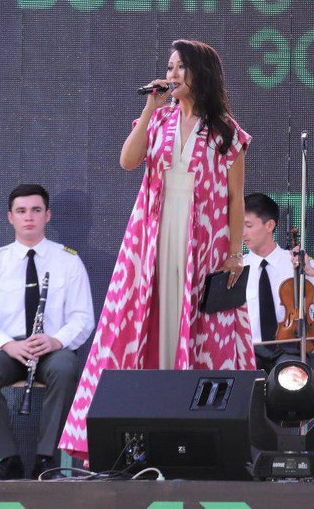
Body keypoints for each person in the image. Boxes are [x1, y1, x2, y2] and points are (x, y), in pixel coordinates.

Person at [58, 40, 254, 462]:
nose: (173, 74)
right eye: (170, 67)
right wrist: (150, 108)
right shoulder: (160, 118)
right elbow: (128, 161)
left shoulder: (227, 131)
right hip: (153, 237)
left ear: (202, 72)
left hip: (204, 242)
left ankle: (196, 438)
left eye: (181, 67)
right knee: (144, 321)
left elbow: (236, 198)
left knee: (198, 326)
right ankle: (140, 438)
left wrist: (235, 252)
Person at [0, 184, 95, 480]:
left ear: (47, 216)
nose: (29, 217)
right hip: (9, 350)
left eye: (36, 210)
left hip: (51, 349)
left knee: (65, 368)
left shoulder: (69, 261)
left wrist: (55, 340)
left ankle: (46, 460)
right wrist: (7, 344)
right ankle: (8, 459)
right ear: (10, 217)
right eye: (21, 211)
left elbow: (82, 318)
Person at [241, 192, 314, 371]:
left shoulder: (297, 262)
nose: (242, 232)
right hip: (248, 353)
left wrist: (310, 273)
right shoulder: (238, 267)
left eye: (248, 225)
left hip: (288, 351)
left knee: (290, 377)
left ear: (269, 225)